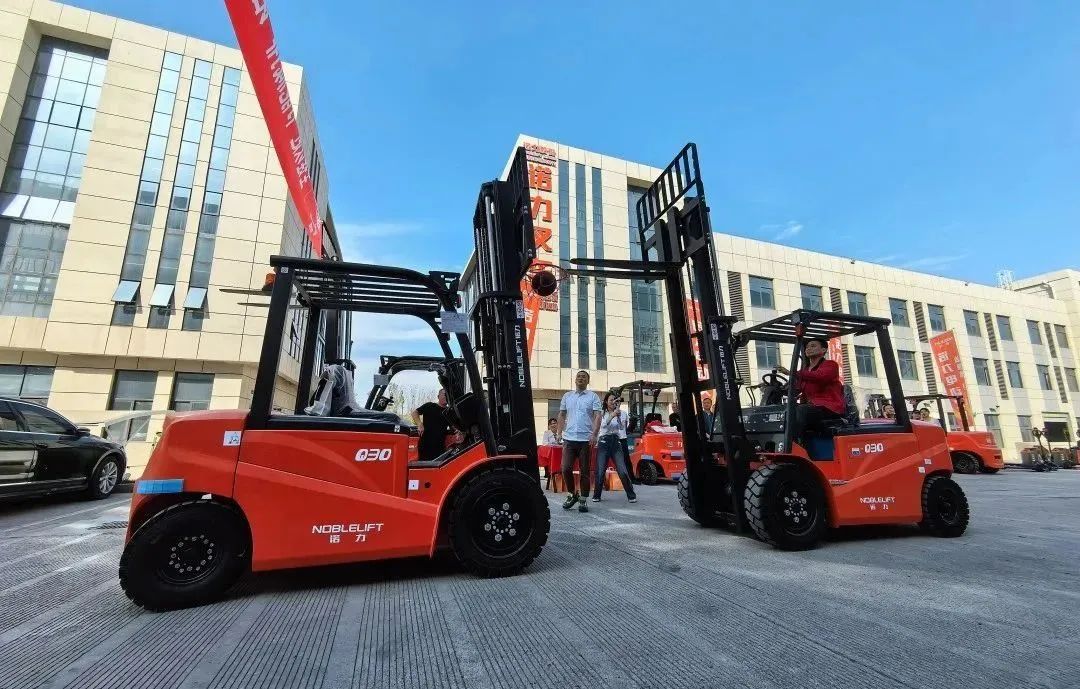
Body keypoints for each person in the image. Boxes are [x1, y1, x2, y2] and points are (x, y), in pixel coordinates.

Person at [776, 338, 846, 443]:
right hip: (813, 407)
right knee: (784, 410)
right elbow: (796, 389)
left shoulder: (831, 365)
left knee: (801, 410)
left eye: (813, 346)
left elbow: (820, 376)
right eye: (807, 347)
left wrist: (792, 373)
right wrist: (777, 388)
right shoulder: (805, 371)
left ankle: (795, 443)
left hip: (828, 408)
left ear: (823, 350)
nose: (808, 349)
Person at [558, 370, 602, 513]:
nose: (580, 378)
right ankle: (572, 494)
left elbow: (597, 416)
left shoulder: (593, 396)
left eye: (584, 377)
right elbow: (562, 414)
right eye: (578, 376)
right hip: (569, 439)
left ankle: (583, 499)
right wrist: (559, 432)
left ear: (588, 381)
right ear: (575, 379)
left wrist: (594, 434)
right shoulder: (567, 396)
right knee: (565, 468)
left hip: (585, 440)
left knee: (585, 471)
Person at [592, 393, 637, 503]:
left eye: (615, 400)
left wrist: (618, 416)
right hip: (604, 441)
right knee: (600, 470)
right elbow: (603, 425)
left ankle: (631, 495)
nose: (613, 402)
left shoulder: (620, 413)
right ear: (606, 402)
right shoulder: (601, 413)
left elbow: (621, 428)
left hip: (616, 441)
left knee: (622, 470)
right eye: (611, 400)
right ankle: (597, 495)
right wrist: (612, 415)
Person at [413, 389, 451, 462]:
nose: (445, 396)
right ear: (438, 396)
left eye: (447, 395)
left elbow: (454, 427)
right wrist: (419, 424)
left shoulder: (449, 412)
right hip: (425, 446)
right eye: (444, 394)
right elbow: (415, 413)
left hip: (440, 448)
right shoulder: (429, 406)